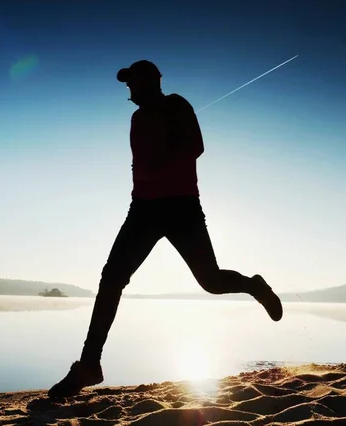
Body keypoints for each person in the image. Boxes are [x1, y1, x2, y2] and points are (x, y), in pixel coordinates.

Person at [47, 60, 283, 399]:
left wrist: (161, 161)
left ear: (153, 81)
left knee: (211, 281)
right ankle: (89, 364)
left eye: (134, 82)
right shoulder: (136, 118)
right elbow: (139, 163)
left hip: (181, 207)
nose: (130, 89)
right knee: (112, 277)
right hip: (142, 209)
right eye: (127, 85)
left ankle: (253, 285)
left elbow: (196, 146)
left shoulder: (176, 104)